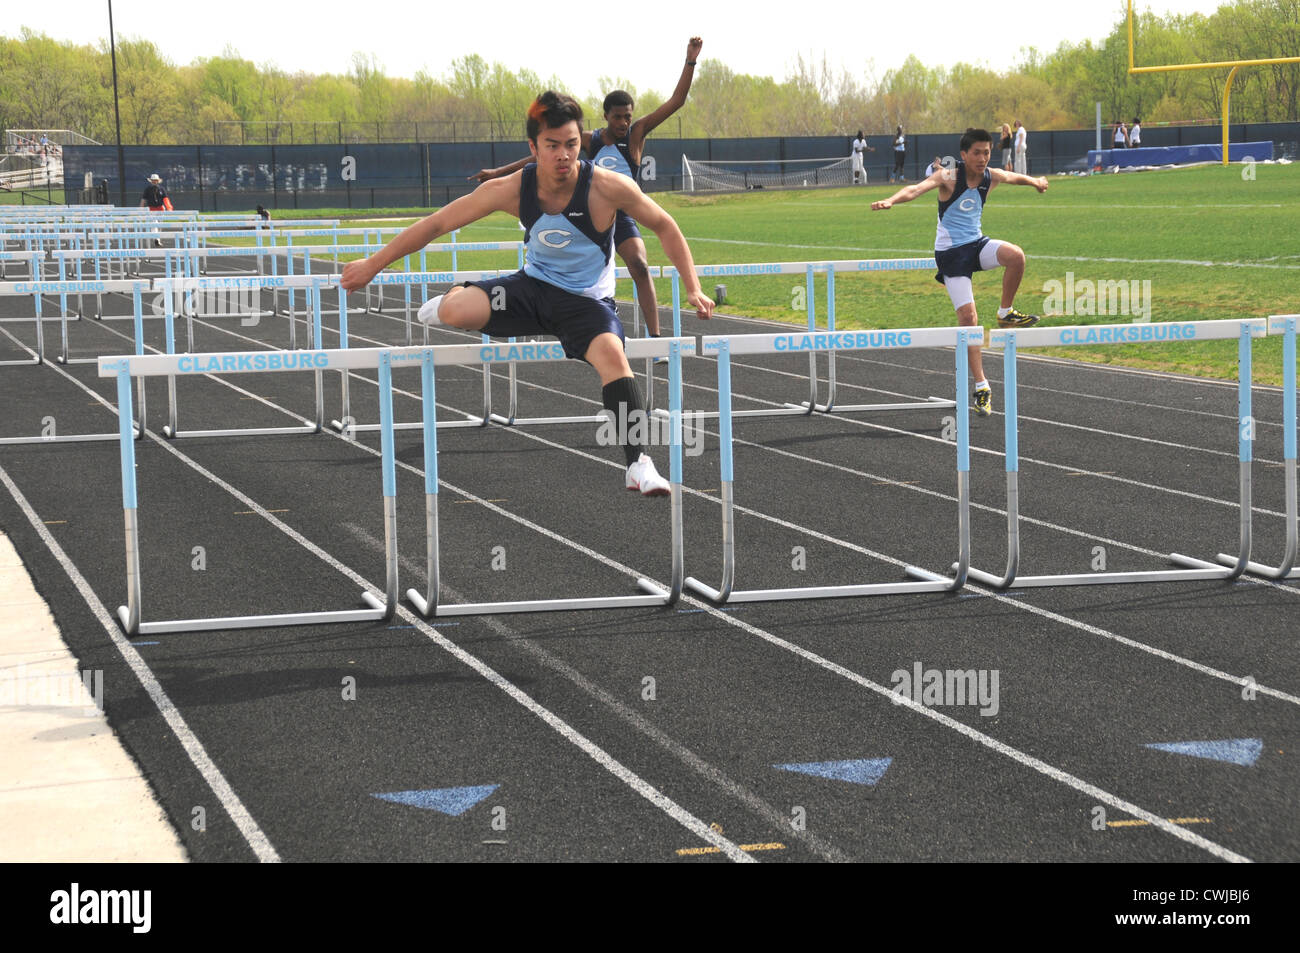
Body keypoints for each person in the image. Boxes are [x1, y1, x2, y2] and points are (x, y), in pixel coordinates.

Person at [342, 91, 715, 495]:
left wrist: (692, 287)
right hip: (531, 290)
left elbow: (665, 226)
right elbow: (437, 224)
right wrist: (371, 265)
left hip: (586, 304)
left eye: (571, 145)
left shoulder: (607, 187)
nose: (563, 156)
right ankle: (448, 302)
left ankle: (639, 463)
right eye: (552, 146)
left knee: (613, 355)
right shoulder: (512, 188)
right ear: (533, 147)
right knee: (457, 311)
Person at [472, 38, 703, 342]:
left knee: (640, 265)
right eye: (619, 116)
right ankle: (587, 309)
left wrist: (690, 61)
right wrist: (499, 173)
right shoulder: (589, 139)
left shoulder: (636, 135)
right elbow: (543, 153)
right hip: (592, 211)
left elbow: (676, 102)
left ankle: (656, 337)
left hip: (624, 212)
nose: (624, 122)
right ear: (606, 115)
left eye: (628, 116)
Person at [871, 127, 1049, 417]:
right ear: (964, 155)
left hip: (976, 245)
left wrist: (1036, 182)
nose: (982, 158)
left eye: (986, 153)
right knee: (969, 319)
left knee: (1015, 256)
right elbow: (915, 189)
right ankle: (981, 386)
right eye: (977, 153)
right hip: (951, 255)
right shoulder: (949, 177)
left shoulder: (990, 177)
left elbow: (1014, 176)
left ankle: (1005, 313)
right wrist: (891, 200)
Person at [139, 173, 172, 247]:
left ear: (158, 181)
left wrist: (169, 208)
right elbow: (143, 200)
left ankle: (158, 240)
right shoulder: (147, 189)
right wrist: (141, 209)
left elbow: (166, 199)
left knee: (160, 226)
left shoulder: (162, 189)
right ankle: (156, 239)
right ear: (151, 181)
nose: (154, 182)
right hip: (151, 209)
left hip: (160, 209)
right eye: (153, 180)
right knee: (154, 224)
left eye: (156, 180)